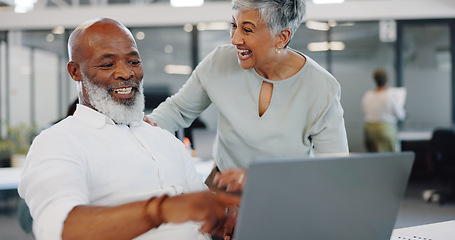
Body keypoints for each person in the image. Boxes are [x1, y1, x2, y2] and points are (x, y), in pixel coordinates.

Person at [18, 18, 240, 240]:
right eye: (107, 64)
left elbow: (199, 213)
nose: (125, 73)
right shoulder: (58, 142)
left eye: (133, 62)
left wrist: (224, 219)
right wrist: (161, 210)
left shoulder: (165, 139)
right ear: (75, 72)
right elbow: (60, 229)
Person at [147, 0, 349, 182]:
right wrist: (142, 130)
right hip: (222, 185)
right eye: (234, 25)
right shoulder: (220, 61)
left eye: (247, 30)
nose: (235, 39)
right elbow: (178, 110)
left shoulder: (322, 88)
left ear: (282, 37)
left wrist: (253, 179)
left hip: (285, 191)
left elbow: (334, 170)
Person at [362, 68, 406, 152]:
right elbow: (401, 115)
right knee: (390, 159)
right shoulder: (388, 96)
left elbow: (364, 112)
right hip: (386, 131)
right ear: (386, 82)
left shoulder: (367, 95)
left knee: (374, 158)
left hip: (369, 132)